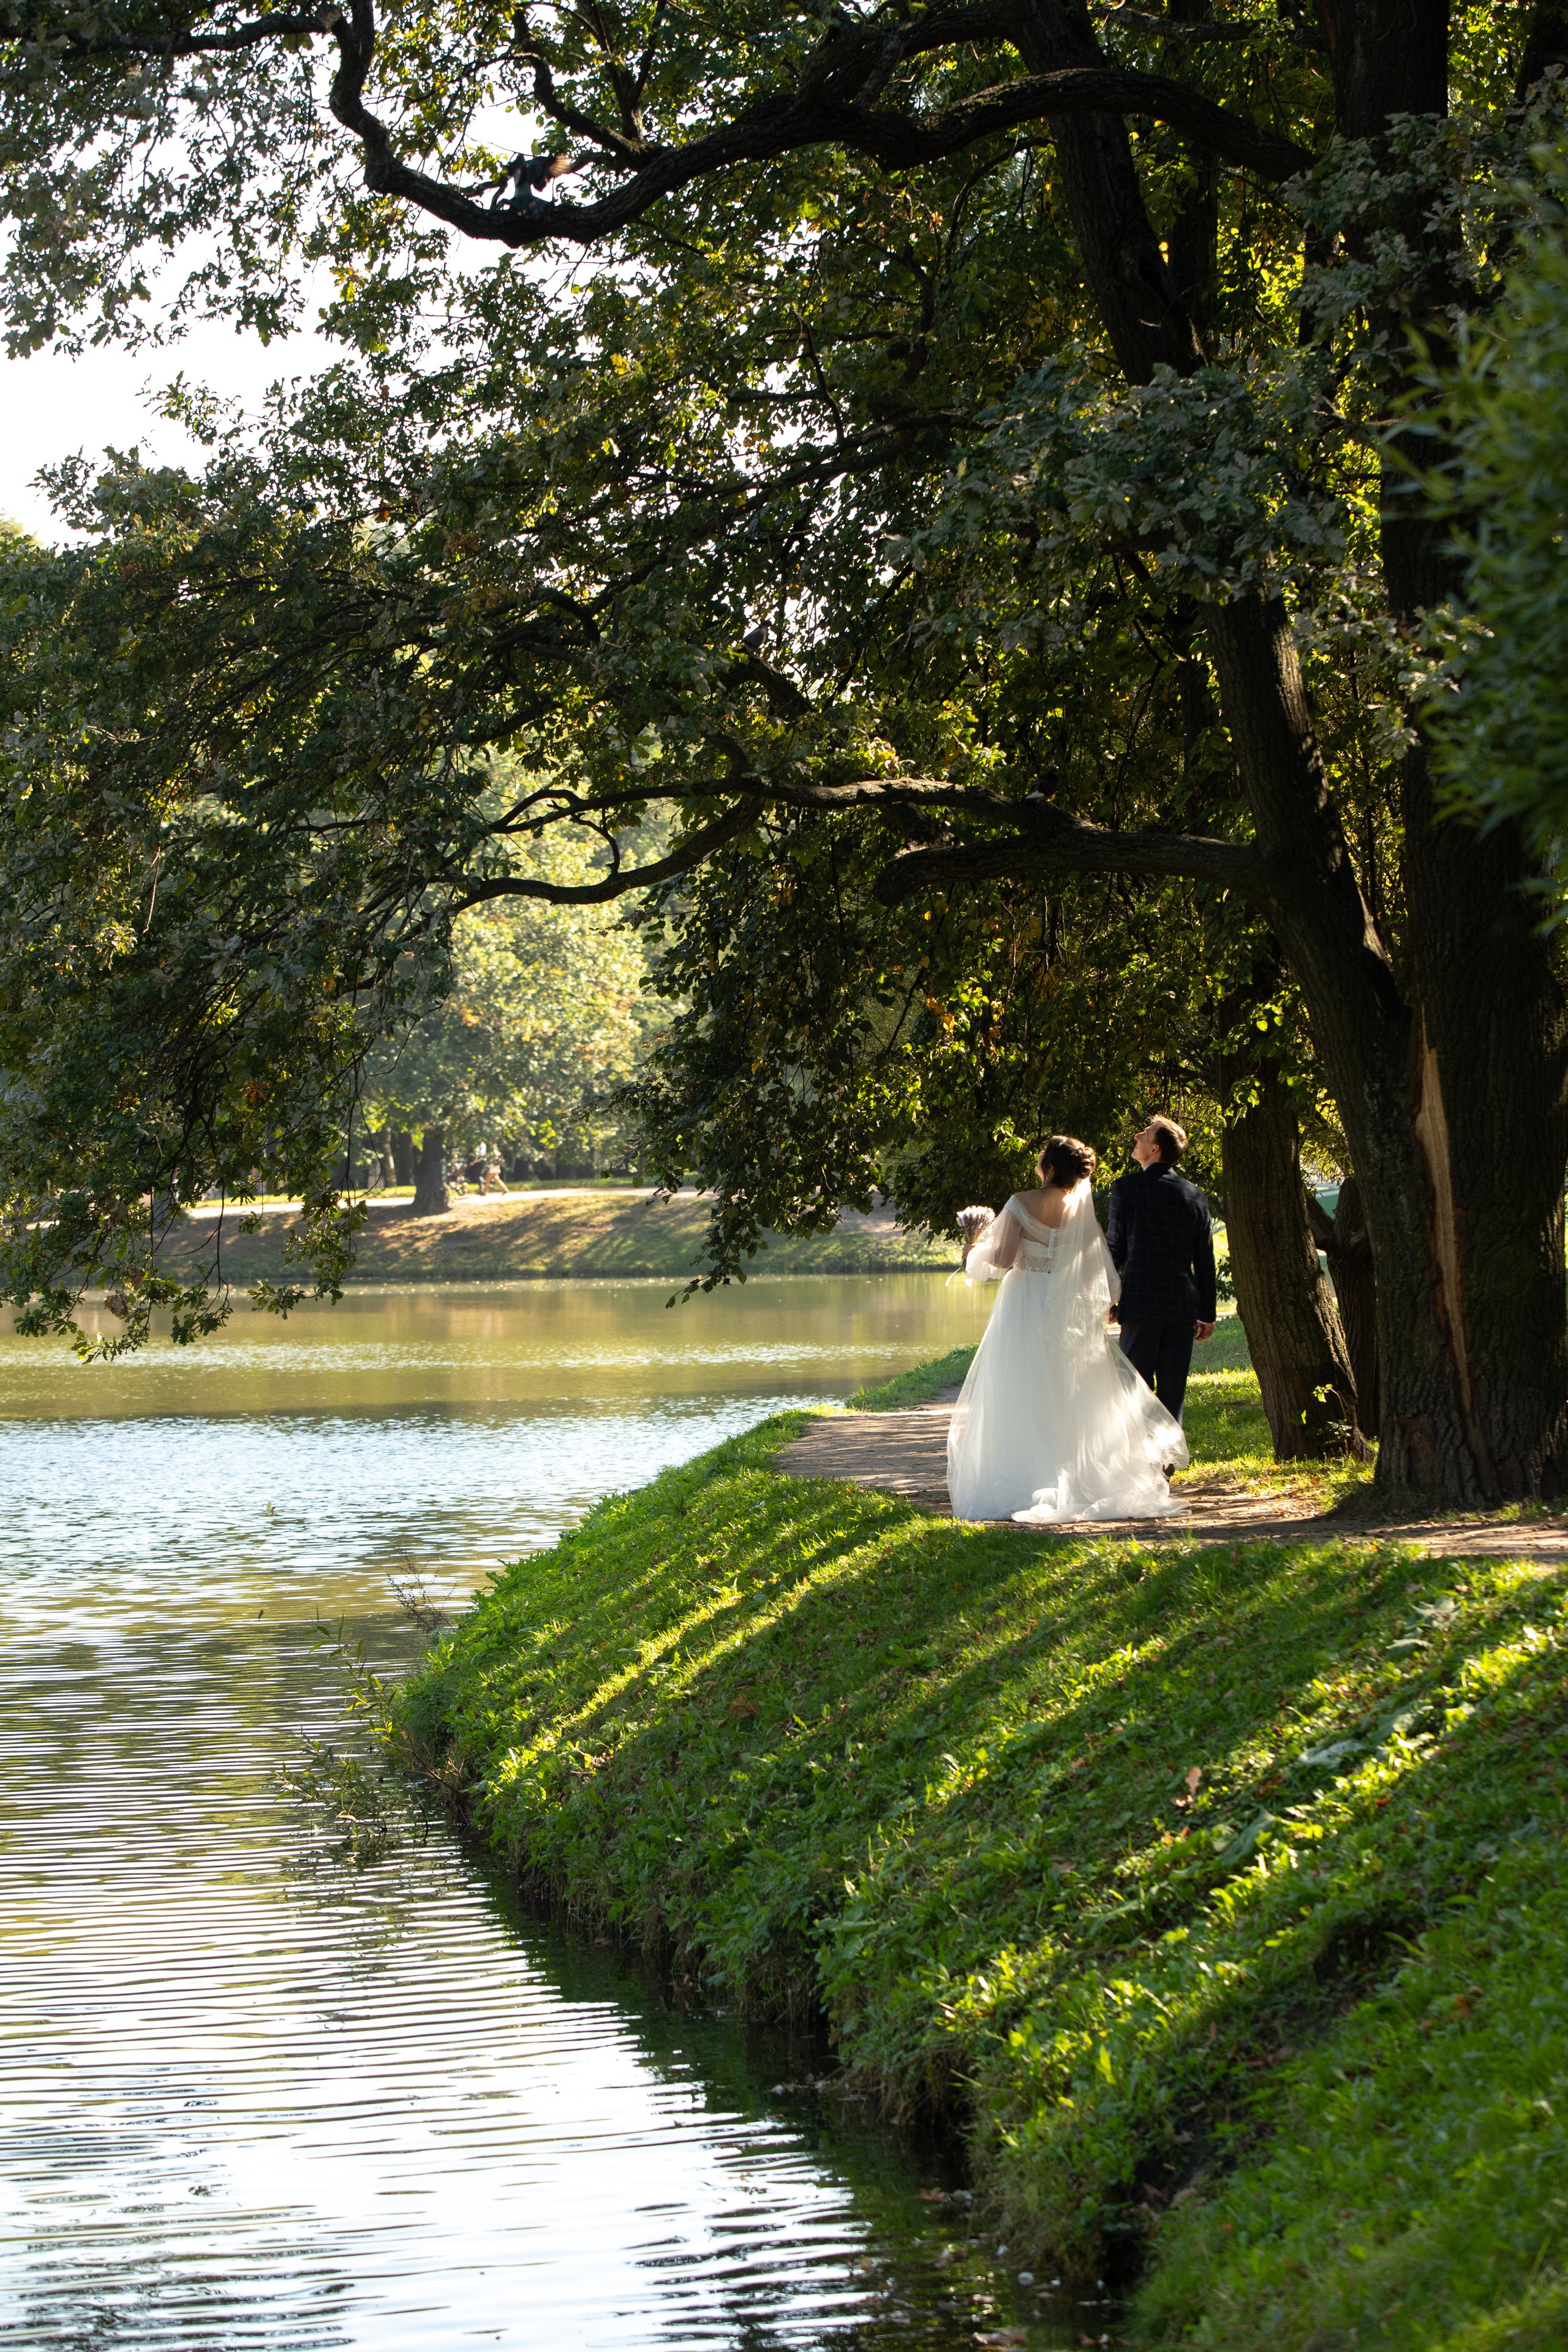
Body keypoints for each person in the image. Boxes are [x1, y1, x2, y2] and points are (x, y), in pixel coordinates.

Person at [946, 1135, 1189, 1524]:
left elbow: (1003, 1260)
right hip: (1065, 1302)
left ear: (1050, 1166)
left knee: (1021, 1380)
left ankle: (1024, 1476)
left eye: (1042, 1155)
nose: (1039, 1159)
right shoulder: (1080, 1210)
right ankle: (1074, 1473)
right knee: (1067, 1384)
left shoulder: (1021, 1202)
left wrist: (974, 1247)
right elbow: (1098, 1266)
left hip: (1025, 1298)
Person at [1105, 1115, 1216, 1423]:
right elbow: (1204, 1259)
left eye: (1145, 1134)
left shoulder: (1126, 1188)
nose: (1137, 1136)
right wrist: (1207, 1313)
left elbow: (1114, 1249)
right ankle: (1167, 1452)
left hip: (1140, 1303)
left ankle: (1137, 1450)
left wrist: (1107, 1297)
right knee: (1172, 1394)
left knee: (1134, 1389)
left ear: (1155, 1149)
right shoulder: (1195, 1195)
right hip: (1181, 1307)